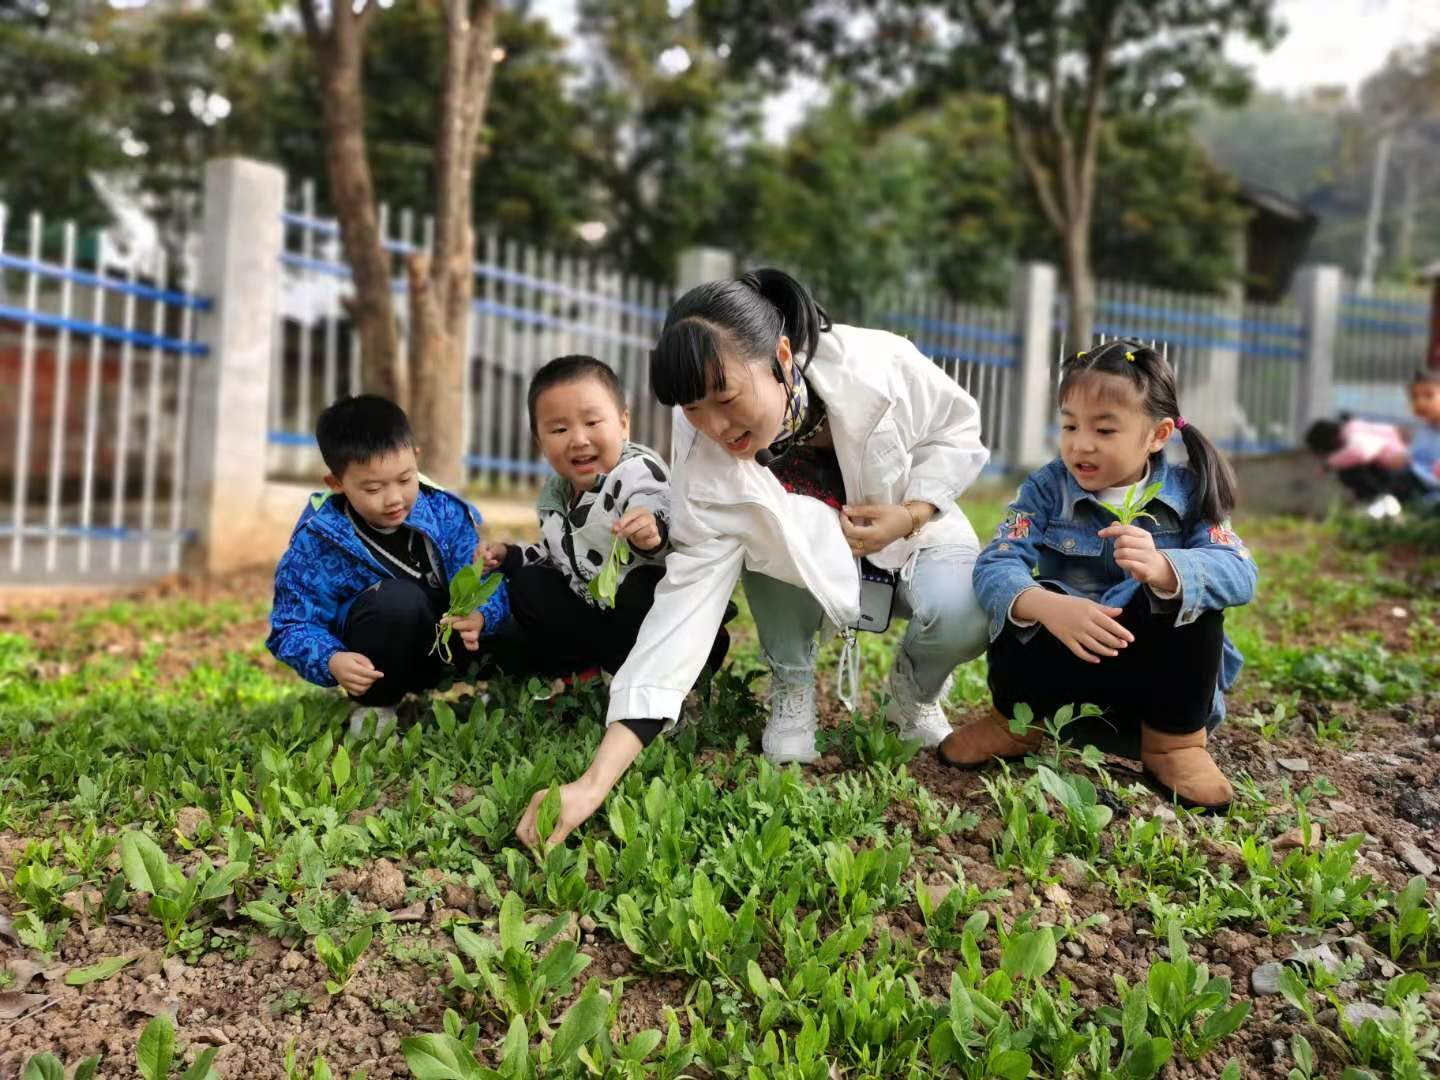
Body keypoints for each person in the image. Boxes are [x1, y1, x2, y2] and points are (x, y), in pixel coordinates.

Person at [515, 268, 991, 849]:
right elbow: (682, 614)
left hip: (912, 527)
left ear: (782, 356)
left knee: (963, 610)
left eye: (726, 397)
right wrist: (593, 783)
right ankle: (792, 681)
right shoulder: (701, 457)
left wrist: (913, 510)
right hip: (802, 562)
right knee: (760, 543)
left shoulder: (879, 366)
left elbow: (959, 429)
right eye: (693, 408)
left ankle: (913, 693)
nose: (715, 426)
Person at [940, 339, 1257, 812]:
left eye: (1104, 430)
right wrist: (1047, 605)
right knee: (1026, 601)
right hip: (1061, 680)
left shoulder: (1189, 495)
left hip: (1150, 697)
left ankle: (1176, 746)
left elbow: (1240, 572)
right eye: (1069, 425)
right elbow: (997, 560)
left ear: (1158, 434)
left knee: (1190, 602)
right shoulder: (1048, 488)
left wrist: (1167, 568)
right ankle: (1014, 722)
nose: (1080, 444)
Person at [267, 395, 507, 736]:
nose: (394, 498)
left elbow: (484, 579)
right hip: (383, 656)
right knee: (395, 601)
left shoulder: (445, 513)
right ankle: (377, 706)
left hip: (448, 644)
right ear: (336, 484)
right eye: (374, 488)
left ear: (416, 459)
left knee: (522, 589)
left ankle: (492, 687)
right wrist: (331, 659)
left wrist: (482, 615)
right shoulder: (320, 541)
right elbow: (290, 625)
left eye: (405, 479)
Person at [481, 354, 729, 682]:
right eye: (559, 429)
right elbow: (557, 558)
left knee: (638, 588)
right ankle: (583, 680)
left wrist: (654, 529)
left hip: (667, 630)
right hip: (605, 625)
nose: (579, 439)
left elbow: (657, 505)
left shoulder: (636, 472)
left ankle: (662, 687)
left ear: (623, 424)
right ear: (540, 442)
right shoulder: (556, 497)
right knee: (530, 584)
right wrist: (510, 555)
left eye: (592, 422)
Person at [1303, 414, 1416, 517]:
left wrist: (1329, 464)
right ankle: (1378, 502)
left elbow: (1361, 452)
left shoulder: (1351, 431)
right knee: (1348, 461)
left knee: (1348, 466)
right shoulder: (1356, 427)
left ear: (1331, 440)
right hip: (1399, 473)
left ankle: (1377, 502)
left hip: (1400, 475)